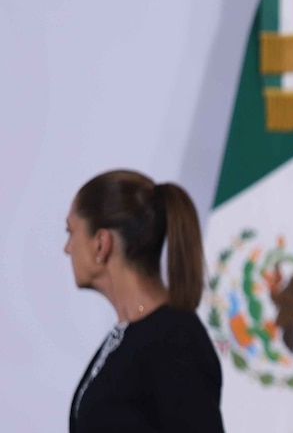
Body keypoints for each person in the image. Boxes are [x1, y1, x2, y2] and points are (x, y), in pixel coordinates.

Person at [64, 170, 224, 432]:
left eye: (70, 232)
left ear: (101, 243)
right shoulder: (131, 334)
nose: (67, 248)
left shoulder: (175, 341)